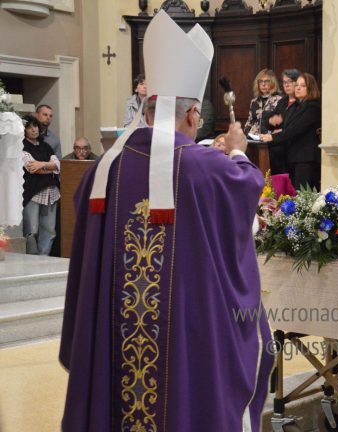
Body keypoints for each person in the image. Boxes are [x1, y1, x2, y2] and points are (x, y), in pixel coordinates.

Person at [59, 11, 273, 432]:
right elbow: (247, 186)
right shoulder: (205, 166)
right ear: (192, 115)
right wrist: (238, 149)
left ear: (148, 109)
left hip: (111, 336)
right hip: (181, 332)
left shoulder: (100, 171)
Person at [260, 72, 321, 190]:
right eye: (297, 85)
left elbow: (295, 130)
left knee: (302, 194)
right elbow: (284, 124)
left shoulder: (313, 107)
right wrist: (273, 122)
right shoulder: (297, 106)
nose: (297, 88)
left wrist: (273, 137)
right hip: (292, 156)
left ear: (311, 88)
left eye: (302, 86)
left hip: (305, 158)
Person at [21, 115, 60, 255]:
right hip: (33, 193)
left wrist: (42, 164)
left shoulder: (46, 146)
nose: (34, 130)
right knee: (31, 230)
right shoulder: (22, 146)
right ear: (24, 130)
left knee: (49, 230)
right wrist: (49, 167)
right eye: (29, 127)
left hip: (51, 192)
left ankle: (44, 258)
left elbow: (58, 165)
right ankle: (32, 259)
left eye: (35, 126)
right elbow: (32, 168)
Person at [262, 68, 301, 175]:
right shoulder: (282, 102)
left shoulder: (300, 103)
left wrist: (280, 129)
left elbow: (293, 127)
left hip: (294, 150)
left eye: (290, 82)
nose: (286, 85)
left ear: (297, 83)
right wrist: (271, 121)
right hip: (278, 149)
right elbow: (269, 121)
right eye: (284, 82)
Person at [243, 68, 282, 136]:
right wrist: (247, 132)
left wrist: (273, 136)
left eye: (266, 81)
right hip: (254, 138)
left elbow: (282, 123)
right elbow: (249, 122)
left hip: (270, 138)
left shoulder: (280, 100)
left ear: (273, 82)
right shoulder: (254, 102)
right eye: (260, 81)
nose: (263, 84)